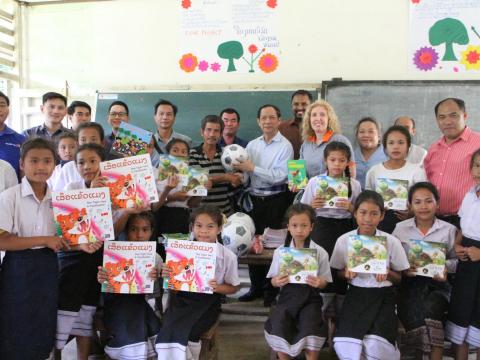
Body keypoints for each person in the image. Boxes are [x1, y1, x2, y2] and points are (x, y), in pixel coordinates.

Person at [0, 138, 95, 359]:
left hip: (49, 266)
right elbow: (3, 241)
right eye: (34, 161)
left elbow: (61, 239)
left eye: (47, 161)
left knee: (42, 317)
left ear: (55, 165)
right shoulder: (9, 197)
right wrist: (45, 239)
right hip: (17, 268)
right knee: (15, 317)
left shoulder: (60, 200)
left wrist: (81, 244)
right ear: (22, 164)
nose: (41, 167)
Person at [330, 190, 410, 360]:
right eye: (363, 213)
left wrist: (387, 274)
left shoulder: (391, 241)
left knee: (376, 343)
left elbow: (400, 277)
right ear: (355, 213)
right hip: (356, 295)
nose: (368, 219)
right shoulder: (344, 240)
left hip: (383, 296)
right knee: (347, 343)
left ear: (382, 216)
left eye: (374, 214)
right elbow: (338, 273)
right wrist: (347, 273)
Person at [155, 205, 240, 359]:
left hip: (208, 302)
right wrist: (167, 275)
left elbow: (234, 288)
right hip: (181, 300)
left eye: (210, 226)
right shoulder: (180, 251)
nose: (204, 231)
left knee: (191, 332)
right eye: (199, 226)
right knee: (168, 330)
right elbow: (173, 287)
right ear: (191, 227)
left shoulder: (228, 256)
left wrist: (217, 287)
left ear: (219, 229)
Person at [233, 104, 293, 305]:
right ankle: (255, 287)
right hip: (253, 200)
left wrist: (253, 168)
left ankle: (271, 291)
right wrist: (241, 177)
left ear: (279, 120)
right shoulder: (251, 145)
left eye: (272, 117)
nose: (267, 121)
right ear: (258, 121)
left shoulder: (285, 146)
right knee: (252, 243)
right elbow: (248, 174)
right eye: (263, 118)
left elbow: (280, 176)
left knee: (272, 245)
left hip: (276, 200)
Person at [55, 143, 108, 359]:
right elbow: (68, 231)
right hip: (73, 256)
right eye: (81, 162)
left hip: (97, 255)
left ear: (102, 163)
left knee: (87, 311)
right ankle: (55, 353)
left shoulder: (114, 187)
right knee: (64, 310)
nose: (87, 166)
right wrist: (93, 192)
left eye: (93, 161)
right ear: (75, 166)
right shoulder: (71, 188)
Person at [393, 182, 457, 360]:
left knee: (432, 308)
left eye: (428, 201)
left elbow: (457, 261)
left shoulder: (449, 229)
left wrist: (446, 267)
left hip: (438, 284)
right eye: (418, 202)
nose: (423, 207)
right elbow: (393, 258)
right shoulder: (400, 228)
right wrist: (404, 269)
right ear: (410, 205)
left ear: (437, 203)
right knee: (412, 311)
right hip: (409, 283)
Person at [300, 141, 361, 316]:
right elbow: (302, 211)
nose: (336, 164)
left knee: (341, 267)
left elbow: (361, 213)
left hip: (345, 228)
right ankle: (320, 311)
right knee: (322, 265)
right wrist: (312, 206)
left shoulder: (354, 185)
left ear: (347, 163)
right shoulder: (315, 182)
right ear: (325, 161)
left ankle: (341, 310)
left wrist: (350, 208)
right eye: (332, 160)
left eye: (341, 160)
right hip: (321, 227)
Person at [265, 203, 332, 360]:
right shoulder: (281, 252)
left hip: (311, 299)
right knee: (279, 322)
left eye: (304, 225)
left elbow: (325, 281)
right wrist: (277, 281)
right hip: (287, 298)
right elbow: (273, 281)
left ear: (311, 227)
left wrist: (319, 282)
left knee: (311, 324)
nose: (299, 230)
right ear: (288, 226)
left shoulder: (319, 252)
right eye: (295, 225)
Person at [97, 211, 162, 360]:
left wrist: (157, 278)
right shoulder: (114, 254)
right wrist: (102, 278)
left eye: (145, 230)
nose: (139, 235)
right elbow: (105, 289)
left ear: (151, 232)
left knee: (142, 309)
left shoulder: (156, 258)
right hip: (117, 305)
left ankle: (133, 352)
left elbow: (156, 298)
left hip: (143, 304)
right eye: (134, 229)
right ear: (126, 231)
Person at [424, 98, 480, 228]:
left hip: (467, 220)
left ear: (465, 116)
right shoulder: (434, 148)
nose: (447, 122)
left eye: (453, 116)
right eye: (442, 117)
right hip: (434, 220)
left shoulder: (478, 143)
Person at [445, 149, 480, 360]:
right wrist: (457, 244)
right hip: (466, 263)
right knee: (461, 318)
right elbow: (462, 227)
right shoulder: (470, 193)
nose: (479, 170)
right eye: (476, 165)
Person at [366, 125, 427, 233]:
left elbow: (424, 199)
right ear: (384, 147)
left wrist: (412, 212)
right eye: (391, 143)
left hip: (409, 224)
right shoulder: (374, 171)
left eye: (401, 142)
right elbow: (368, 199)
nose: (396, 147)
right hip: (380, 224)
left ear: (408, 146)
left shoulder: (417, 171)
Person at [189, 115, 243, 217]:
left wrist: (236, 179)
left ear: (221, 134)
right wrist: (225, 177)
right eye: (208, 130)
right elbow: (195, 182)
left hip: (224, 213)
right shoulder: (192, 154)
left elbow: (236, 179)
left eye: (216, 131)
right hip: (199, 214)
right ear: (202, 132)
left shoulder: (227, 154)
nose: (212, 134)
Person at [299, 100, 355, 179]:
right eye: (314, 115)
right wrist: (297, 183)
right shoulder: (306, 144)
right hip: (310, 190)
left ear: (329, 119)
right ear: (309, 120)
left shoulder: (340, 140)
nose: (318, 118)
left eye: (322, 115)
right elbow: (300, 173)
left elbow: (351, 173)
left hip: (335, 190)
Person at [53, 122, 105, 191]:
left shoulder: (110, 168)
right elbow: (58, 196)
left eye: (93, 139)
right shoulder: (68, 169)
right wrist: (91, 192)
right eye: (83, 140)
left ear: (102, 143)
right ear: (77, 143)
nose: (88, 143)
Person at [150, 99, 191, 167]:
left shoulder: (186, 141)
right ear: (155, 117)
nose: (165, 117)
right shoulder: (148, 143)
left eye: (169, 114)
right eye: (161, 114)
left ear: (174, 118)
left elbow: (191, 168)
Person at [354, 117, 387, 189]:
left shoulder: (388, 156)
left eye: (371, 131)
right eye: (362, 132)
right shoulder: (350, 156)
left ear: (379, 136)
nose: (366, 135)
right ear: (357, 136)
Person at [279, 90, 313, 159]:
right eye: (296, 104)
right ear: (292, 105)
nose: (300, 108)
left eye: (304, 104)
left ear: (311, 106)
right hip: (287, 168)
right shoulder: (281, 128)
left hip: (314, 169)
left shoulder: (318, 128)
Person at [0, 91, 25, 179]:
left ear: (8, 109)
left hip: (12, 191)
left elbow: (25, 174)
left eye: (2, 105)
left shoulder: (21, 140)